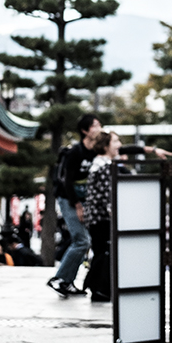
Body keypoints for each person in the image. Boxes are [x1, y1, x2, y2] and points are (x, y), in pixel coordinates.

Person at [50, 113, 101, 297]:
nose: (99, 128)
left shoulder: (96, 151)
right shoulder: (75, 152)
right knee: (82, 240)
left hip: (82, 200)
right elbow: (67, 182)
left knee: (82, 241)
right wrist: (78, 206)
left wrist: (149, 151)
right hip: (68, 198)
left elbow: (121, 149)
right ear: (85, 130)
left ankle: (67, 282)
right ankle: (59, 278)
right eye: (95, 125)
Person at [83, 130, 121, 302]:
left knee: (100, 251)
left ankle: (96, 286)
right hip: (102, 218)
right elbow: (109, 196)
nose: (119, 145)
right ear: (106, 146)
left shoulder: (97, 164)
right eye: (115, 142)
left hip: (94, 217)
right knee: (104, 252)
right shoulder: (105, 167)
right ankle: (98, 287)